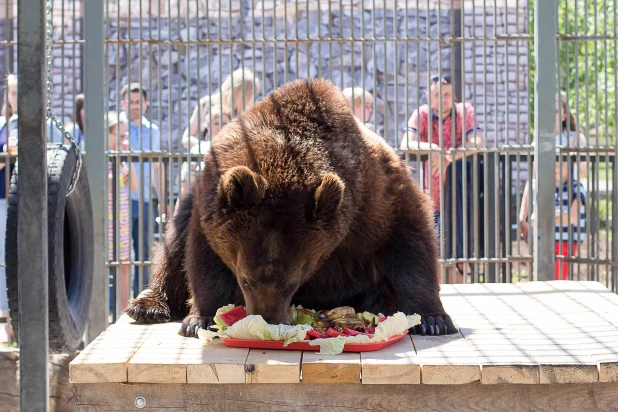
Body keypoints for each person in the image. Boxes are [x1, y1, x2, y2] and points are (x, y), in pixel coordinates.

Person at [400, 74, 484, 284]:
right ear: (429, 96)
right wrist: (433, 149)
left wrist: (450, 157)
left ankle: (461, 290)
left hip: (462, 195)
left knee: (461, 249)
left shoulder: (465, 111)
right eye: (438, 94)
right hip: (431, 194)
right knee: (435, 247)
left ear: (453, 95)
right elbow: (405, 144)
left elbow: (477, 142)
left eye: (447, 94)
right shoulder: (422, 114)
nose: (443, 99)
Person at [120, 82, 163, 297]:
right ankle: (115, 305)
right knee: (120, 255)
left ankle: (142, 299)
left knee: (145, 253)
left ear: (145, 104)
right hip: (121, 200)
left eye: (138, 102)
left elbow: (156, 166)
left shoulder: (152, 131)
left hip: (145, 199)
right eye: (130, 102)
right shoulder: (117, 128)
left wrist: (161, 198)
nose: (134, 106)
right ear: (122, 103)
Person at [181, 68, 260, 150]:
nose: (248, 100)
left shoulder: (245, 114)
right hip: (203, 157)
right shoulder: (206, 104)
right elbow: (186, 139)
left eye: (250, 96)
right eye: (245, 95)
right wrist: (206, 146)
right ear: (234, 90)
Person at [106, 111, 138, 314]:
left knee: (125, 266)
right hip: (106, 220)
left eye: (125, 135)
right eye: (120, 135)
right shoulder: (103, 158)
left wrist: (128, 160)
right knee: (104, 265)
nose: (123, 139)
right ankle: (104, 313)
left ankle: (124, 312)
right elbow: (108, 186)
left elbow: (134, 186)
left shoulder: (123, 159)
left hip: (122, 220)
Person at [177, 105, 230, 204]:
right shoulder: (197, 149)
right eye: (216, 123)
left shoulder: (236, 149)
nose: (220, 127)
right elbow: (186, 183)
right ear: (208, 126)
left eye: (224, 123)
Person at [0, 74, 17, 343]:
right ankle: (6, 321)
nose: (18, 99)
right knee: (5, 259)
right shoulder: (3, 126)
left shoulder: (45, 125)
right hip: (5, 197)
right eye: (14, 93)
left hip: (34, 202)